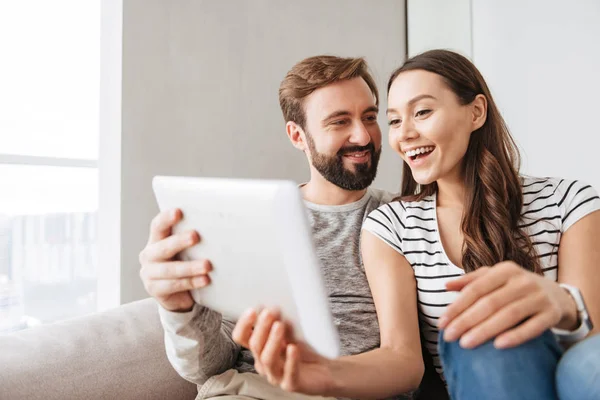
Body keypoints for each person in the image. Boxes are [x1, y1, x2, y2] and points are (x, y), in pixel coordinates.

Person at [234, 49, 600, 400]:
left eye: (422, 112)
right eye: (394, 120)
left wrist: (564, 305)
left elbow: (593, 339)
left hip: (578, 372)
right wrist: (324, 373)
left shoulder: (569, 202)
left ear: (476, 112)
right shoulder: (392, 227)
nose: (403, 133)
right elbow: (401, 357)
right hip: (490, 371)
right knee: (479, 328)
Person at [138, 55, 421, 400]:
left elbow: (408, 360)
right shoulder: (255, 223)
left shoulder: (403, 218)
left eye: (370, 117)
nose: (362, 136)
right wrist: (180, 310)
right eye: (339, 122)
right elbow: (207, 366)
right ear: (297, 135)